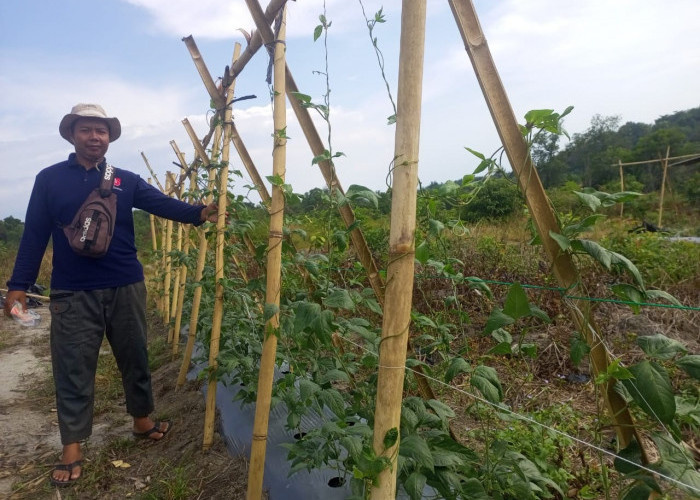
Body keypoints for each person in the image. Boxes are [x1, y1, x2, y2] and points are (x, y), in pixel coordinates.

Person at [3, 103, 218, 487]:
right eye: (86, 130)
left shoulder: (125, 179)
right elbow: (34, 234)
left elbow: (162, 205)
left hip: (126, 284)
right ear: (72, 135)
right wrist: (18, 286)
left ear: (109, 138)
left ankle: (142, 420)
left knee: (134, 354)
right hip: (72, 290)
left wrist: (200, 212)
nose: (95, 137)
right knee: (72, 367)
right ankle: (71, 446)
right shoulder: (50, 179)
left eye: (101, 131)